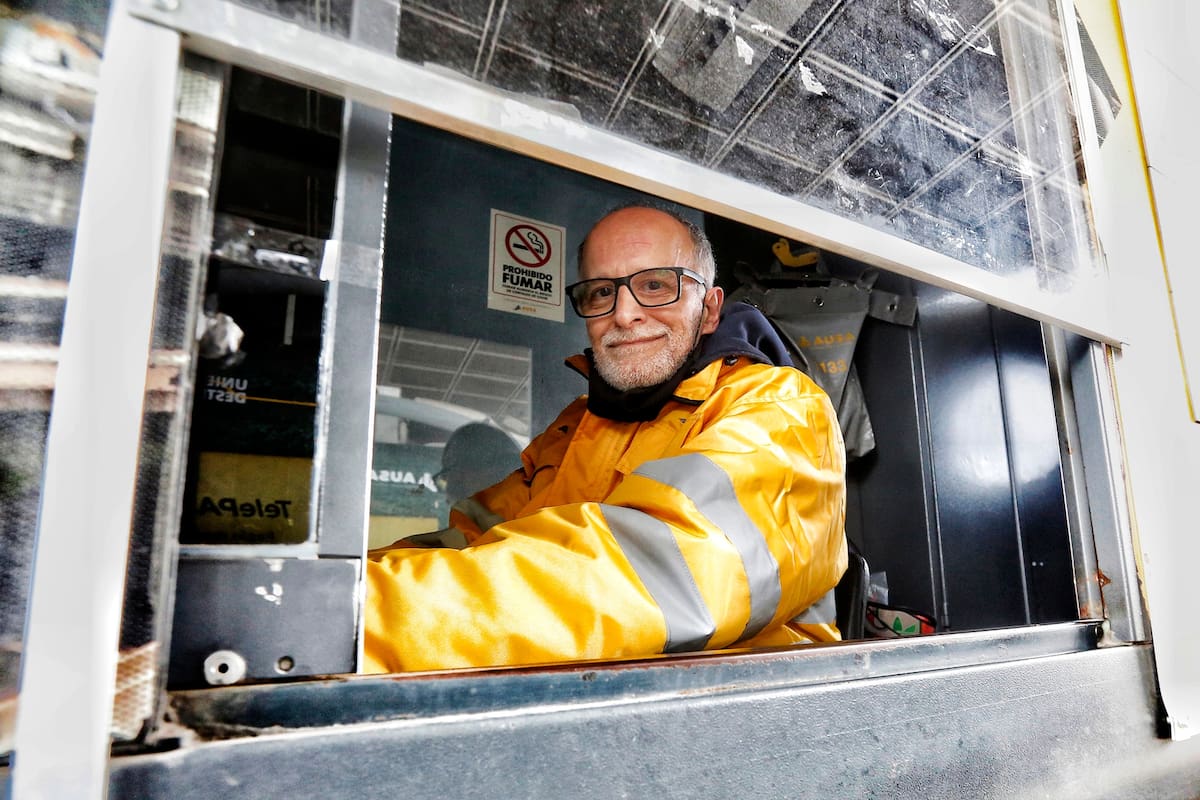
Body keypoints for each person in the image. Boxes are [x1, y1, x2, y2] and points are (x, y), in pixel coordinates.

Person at [364, 204, 847, 673]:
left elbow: (666, 574)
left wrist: (367, 619)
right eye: (600, 293)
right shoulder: (577, 429)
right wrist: (347, 583)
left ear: (709, 309)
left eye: (656, 285)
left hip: (742, 720)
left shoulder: (780, 408)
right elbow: (473, 542)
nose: (624, 313)